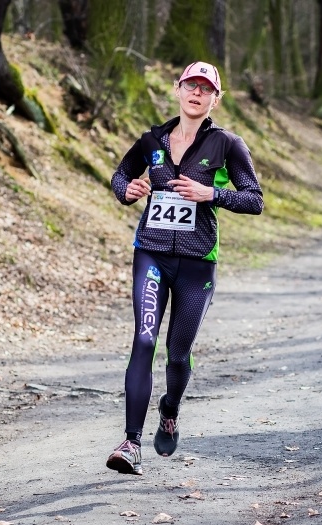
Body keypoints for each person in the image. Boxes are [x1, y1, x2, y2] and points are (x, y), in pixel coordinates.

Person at [106, 61, 264, 475]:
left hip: (197, 265)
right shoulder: (151, 139)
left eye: (205, 89)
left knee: (178, 355)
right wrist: (129, 190)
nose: (197, 93)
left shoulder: (227, 144)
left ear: (216, 98)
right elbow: (121, 175)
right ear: (177, 90)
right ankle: (131, 443)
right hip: (152, 253)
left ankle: (170, 409)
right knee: (144, 340)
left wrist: (211, 193)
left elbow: (254, 199)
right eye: (190, 86)